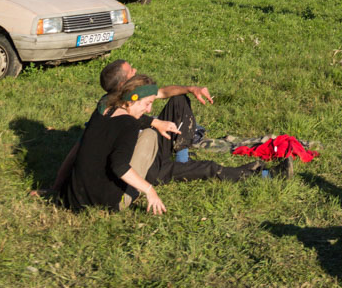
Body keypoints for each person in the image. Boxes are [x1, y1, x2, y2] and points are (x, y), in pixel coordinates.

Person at [63, 76, 279, 213]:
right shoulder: (128, 124)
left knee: (155, 127)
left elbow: (80, 152)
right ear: (131, 97)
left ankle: (180, 157)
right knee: (203, 165)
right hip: (113, 200)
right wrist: (150, 191)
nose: (149, 109)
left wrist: (56, 189)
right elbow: (119, 166)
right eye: (147, 104)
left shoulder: (104, 107)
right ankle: (263, 174)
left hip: (77, 197)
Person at [50, 57, 218, 197]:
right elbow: (82, 149)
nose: (135, 70)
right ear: (123, 83)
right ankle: (171, 169)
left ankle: (183, 160)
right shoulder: (110, 111)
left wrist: (190, 88)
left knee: (180, 99)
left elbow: (162, 92)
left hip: (145, 147)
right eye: (132, 71)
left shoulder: (133, 95)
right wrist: (57, 186)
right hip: (134, 162)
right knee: (151, 137)